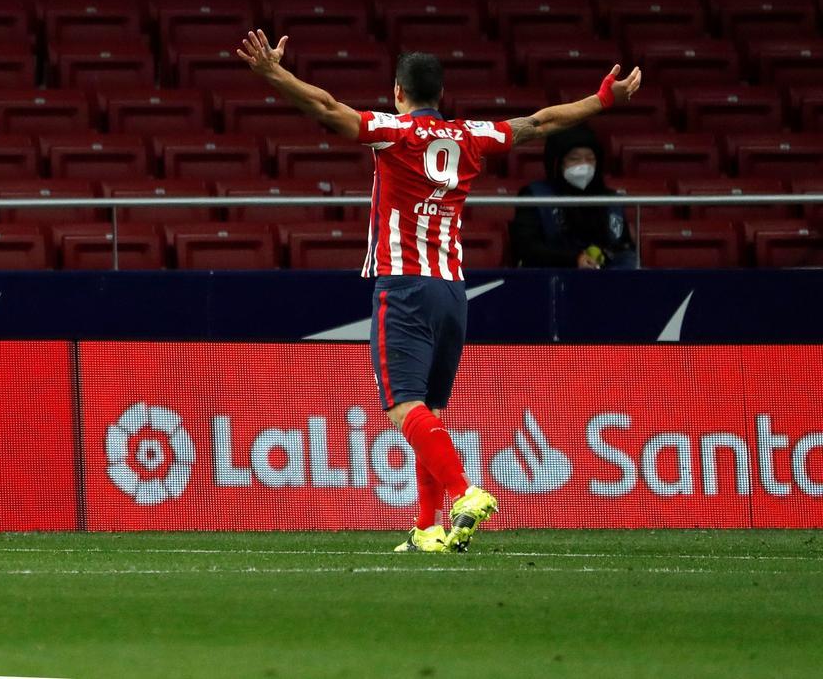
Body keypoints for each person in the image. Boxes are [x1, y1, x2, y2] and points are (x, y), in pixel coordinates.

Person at [237, 29, 641, 553]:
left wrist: (274, 74)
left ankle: (464, 492)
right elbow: (541, 122)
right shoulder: (471, 136)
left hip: (404, 286)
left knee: (403, 409)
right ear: (440, 96)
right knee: (430, 411)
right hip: (453, 293)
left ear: (398, 92)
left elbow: (327, 107)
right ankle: (427, 528)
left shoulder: (392, 132)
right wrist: (604, 99)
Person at [510, 124, 638, 269]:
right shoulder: (535, 196)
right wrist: (574, 259)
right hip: (550, 279)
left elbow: (624, 247)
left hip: (606, 280)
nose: (584, 165)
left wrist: (605, 256)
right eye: (574, 159)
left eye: (590, 159)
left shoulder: (610, 200)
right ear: (557, 163)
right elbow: (527, 247)